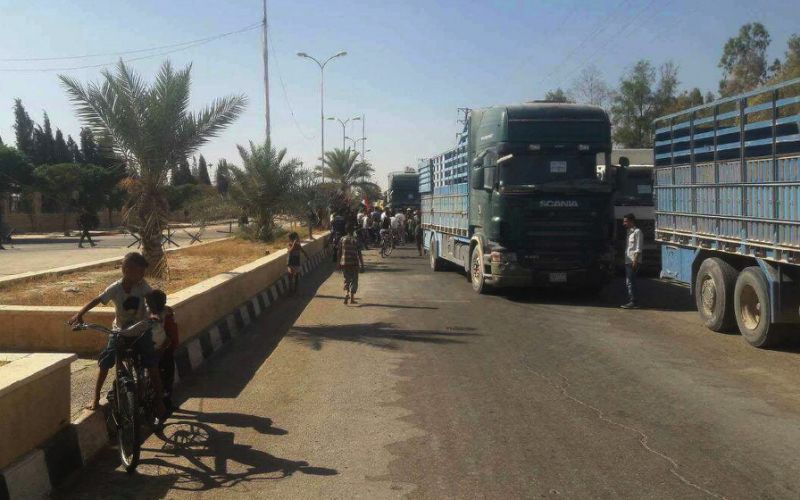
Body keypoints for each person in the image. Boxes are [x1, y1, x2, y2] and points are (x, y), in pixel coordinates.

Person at [68, 252, 165, 418]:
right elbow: (97, 300)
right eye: (139, 271)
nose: (142, 275)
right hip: (119, 331)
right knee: (105, 362)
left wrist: (153, 314)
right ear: (127, 270)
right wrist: (80, 314)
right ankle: (96, 398)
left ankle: (159, 401)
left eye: (143, 272)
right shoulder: (115, 288)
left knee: (152, 364)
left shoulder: (142, 286)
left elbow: (150, 301)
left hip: (140, 330)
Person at [145, 290, 179, 412]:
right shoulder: (147, 314)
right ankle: (161, 404)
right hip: (158, 351)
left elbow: (169, 335)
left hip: (163, 351)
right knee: (161, 378)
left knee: (164, 378)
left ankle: (164, 403)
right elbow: (170, 335)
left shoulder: (166, 313)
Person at [337, 223, 365, 304]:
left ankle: (346, 294)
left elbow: (339, 251)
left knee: (346, 279)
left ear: (346, 230)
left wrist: (338, 263)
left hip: (344, 263)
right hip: (354, 263)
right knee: (354, 280)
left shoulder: (342, 239)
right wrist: (362, 265)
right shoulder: (356, 240)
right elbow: (359, 253)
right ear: (353, 231)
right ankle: (352, 299)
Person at [620, 213, 643, 309]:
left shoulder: (637, 232)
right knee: (629, 281)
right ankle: (632, 300)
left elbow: (638, 248)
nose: (624, 223)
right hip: (628, 260)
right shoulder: (629, 232)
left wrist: (635, 261)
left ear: (631, 221)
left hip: (633, 261)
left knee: (630, 282)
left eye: (626, 221)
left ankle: (633, 301)